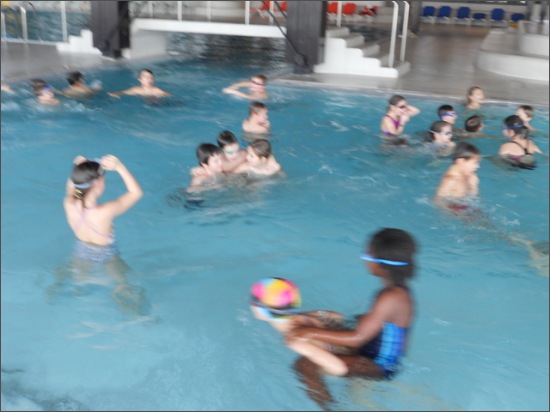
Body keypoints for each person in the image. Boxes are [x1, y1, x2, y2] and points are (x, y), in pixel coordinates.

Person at [287, 228, 418, 410]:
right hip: (371, 349)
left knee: (304, 366)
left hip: (378, 365)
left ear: (380, 263)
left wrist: (308, 332)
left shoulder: (390, 297)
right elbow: (378, 325)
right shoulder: (397, 292)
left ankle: (331, 408)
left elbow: (358, 338)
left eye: (367, 254)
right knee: (330, 326)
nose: (365, 259)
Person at [63, 155, 145, 314]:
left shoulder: (70, 203)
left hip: (81, 252)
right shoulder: (105, 212)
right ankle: (134, 314)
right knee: (124, 284)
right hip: (107, 256)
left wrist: (78, 168)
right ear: (97, 184)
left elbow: (74, 188)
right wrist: (120, 167)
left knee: (79, 282)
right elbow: (136, 193)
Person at [250, 277, 353, 376]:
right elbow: (338, 316)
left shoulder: (295, 341)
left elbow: (339, 369)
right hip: (352, 343)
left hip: (354, 367)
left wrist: (320, 371)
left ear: (260, 309)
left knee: (302, 368)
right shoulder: (305, 316)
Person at [434, 141, 481, 210]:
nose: (477, 166)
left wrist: (474, 186)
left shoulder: (468, 175)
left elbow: (474, 198)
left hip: (464, 206)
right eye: (475, 163)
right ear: (461, 161)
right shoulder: (450, 180)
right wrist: (450, 213)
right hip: (453, 210)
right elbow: (437, 201)